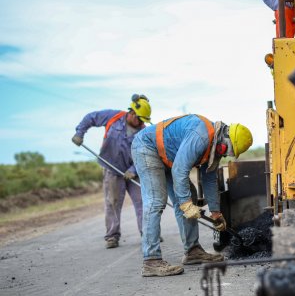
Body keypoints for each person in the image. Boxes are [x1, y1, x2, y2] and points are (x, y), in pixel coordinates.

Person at [131, 114, 253, 277]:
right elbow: (179, 170)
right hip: (147, 148)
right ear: (225, 138)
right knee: (156, 201)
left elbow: (209, 179)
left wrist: (216, 213)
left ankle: (192, 251)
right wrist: (186, 205)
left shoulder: (215, 145)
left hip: (167, 157)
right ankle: (151, 261)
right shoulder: (201, 136)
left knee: (191, 194)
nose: (223, 155)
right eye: (225, 151)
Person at [72, 94, 151, 249]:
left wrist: (133, 169)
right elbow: (90, 118)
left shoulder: (144, 132)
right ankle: (112, 236)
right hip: (112, 169)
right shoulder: (113, 117)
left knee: (143, 201)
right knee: (113, 203)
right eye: (140, 119)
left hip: (133, 171)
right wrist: (79, 133)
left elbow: (145, 153)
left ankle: (148, 233)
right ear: (132, 113)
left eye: (144, 121)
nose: (142, 123)